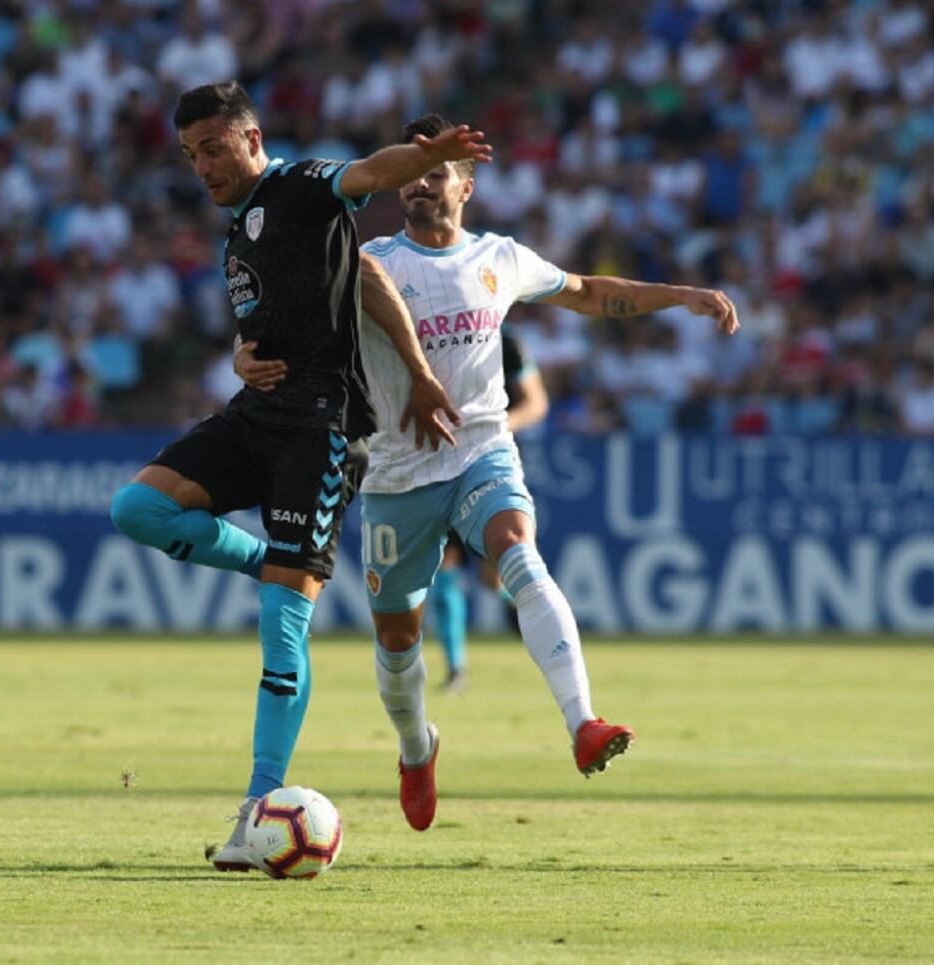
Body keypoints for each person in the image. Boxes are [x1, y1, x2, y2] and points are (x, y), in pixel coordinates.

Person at [108, 83, 490, 870]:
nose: (203, 166)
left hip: (319, 430)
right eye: (190, 155)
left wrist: (426, 157)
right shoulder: (241, 230)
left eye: (214, 147)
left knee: (282, 633)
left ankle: (257, 808)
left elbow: (369, 174)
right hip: (255, 411)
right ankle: (268, 562)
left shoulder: (303, 186)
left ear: (252, 138)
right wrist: (240, 356)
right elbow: (357, 284)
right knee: (137, 508)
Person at [358, 114, 739, 831]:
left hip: (480, 450)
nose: (417, 186)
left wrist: (680, 295)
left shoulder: (499, 257)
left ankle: (583, 722)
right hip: (397, 471)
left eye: (433, 172)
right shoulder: (371, 262)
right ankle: (417, 747)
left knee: (517, 549)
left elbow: (591, 292)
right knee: (398, 640)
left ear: (465, 186)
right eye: (409, 174)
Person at [431, 329, 549, 693]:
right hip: (442, 465)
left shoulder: (508, 344)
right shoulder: (434, 336)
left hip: (493, 466)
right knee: (442, 567)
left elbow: (536, 403)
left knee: (493, 576)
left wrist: (495, 427)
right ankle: (456, 669)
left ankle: (524, 616)